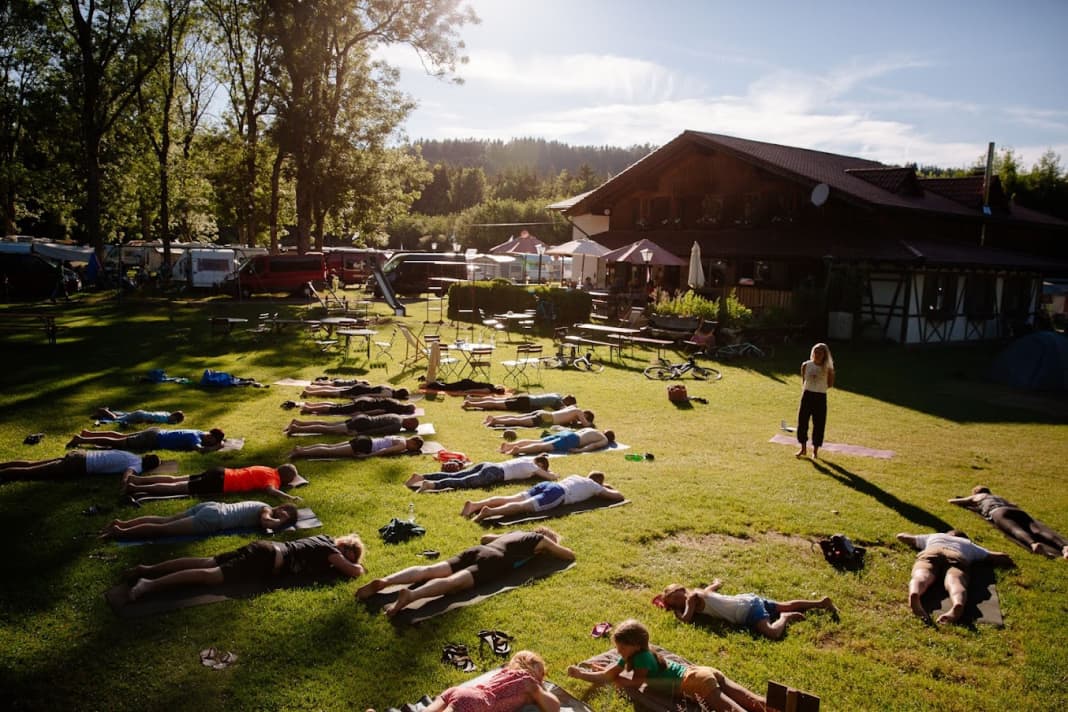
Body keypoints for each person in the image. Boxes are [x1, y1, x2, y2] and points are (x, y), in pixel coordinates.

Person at [355, 527, 575, 618]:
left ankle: (386, 581)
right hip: (494, 561)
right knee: (453, 583)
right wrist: (548, 548)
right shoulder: (541, 540)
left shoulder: (515, 532)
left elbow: (485, 538)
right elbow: (568, 555)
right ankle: (411, 596)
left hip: (478, 550)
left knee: (431, 569)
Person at [566, 619, 766, 712]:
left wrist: (614, 678)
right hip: (702, 673)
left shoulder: (642, 658)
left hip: (696, 682)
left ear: (634, 645)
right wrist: (580, 673)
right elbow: (609, 674)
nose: (618, 652)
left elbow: (634, 684)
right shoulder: (637, 652)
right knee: (753, 701)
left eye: (621, 648)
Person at [123, 533, 366, 601]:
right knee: (211, 576)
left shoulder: (324, 539)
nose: (348, 558)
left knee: (207, 562)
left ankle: (147, 569)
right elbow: (355, 572)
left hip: (266, 548)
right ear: (343, 548)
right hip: (267, 559)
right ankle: (148, 585)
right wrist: (357, 566)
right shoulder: (331, 552)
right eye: (350, 554)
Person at [366, 651, 560, 712]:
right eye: (542, 673)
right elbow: (554, 707)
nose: (542, 678)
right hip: (475, 702)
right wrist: (540, 690)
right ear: (531, 669)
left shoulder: (505, 674)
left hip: (460, 691)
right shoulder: (529, 682)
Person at [896, 530, 1015, 624]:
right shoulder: (968, 544)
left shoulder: (936, 536)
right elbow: (1000, 557)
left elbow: (902, 537)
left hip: (932, 551)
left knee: (921, 576)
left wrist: (905, 534)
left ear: (948, 533)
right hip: (956, 556)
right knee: (955, 582)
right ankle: (957, 605)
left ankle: (915, 593)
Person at [658, 579, 837, 639]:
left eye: (675, 599)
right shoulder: (697, 593)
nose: (677, 604)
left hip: (745, 611)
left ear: (682, 591)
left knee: (772, 633)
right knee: (786, 603)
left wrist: (677, 613)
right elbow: (709, 591)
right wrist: (716, 584)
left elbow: (687, 619)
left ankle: (785, 617)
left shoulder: (691, 599)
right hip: (747, 600)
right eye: (673, 604)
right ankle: (821, 603)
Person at [949, 486, 1068, 559]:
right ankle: (1064, 547)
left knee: (1015, 529)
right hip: (1016, 511)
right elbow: (1014, 504)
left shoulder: (977, 497)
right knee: (1038, 529)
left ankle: (1033, 544)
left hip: (998, 512)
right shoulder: (998, 496)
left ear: (975, 493)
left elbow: (953, 501)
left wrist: (970, 501)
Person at [464, 471, 624, 523]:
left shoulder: (576, 476)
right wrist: (605, 487)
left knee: (511, 498)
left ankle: (475, 505)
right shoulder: (595, 486)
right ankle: (489, 512)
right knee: (523, 507)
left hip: (547, 485)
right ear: (599, 482)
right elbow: (618, 496)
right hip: (557, 494)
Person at [99, 501, 299, 540]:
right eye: (283, 514)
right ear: (280, 509)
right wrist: (280, 522)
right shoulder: (266, 509)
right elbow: (266, 522)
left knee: (164, 520)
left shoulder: (260, 502)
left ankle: (122, 523)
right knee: (165, 529)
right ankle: (121, 532)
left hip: (212, 506)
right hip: (214, 519)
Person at [121, 463, 304, 501]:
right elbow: (271, 491)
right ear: (286, 478)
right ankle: (134, 486)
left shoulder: (267, 469)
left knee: (177, 478)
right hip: (221, 483)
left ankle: (138, 480)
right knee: (179, 487)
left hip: (220, 471)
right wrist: (288, 497)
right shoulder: (273, 479)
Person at [406, 456, 555, 492]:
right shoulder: (533, 466)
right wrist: (550, 472)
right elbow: (552, 477)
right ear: (540, 464)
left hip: (489, 465)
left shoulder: (526, 459)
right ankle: (432, 484)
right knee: (463, 482)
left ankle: (422, 477)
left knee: (458, 476)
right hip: (495, 473)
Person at [1, 450, 160, 482]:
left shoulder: (132, 455)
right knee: (31, 472)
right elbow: (128, 473)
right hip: (80, 464)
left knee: (32, 464)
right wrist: (127, 484)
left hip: (81, 454)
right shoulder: (137, 464)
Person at [795, 342, 834, 458]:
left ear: (824, 355)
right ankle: (803, 448)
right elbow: (804, 380)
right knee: (802, 422)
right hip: (807, 395)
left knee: (819, 424)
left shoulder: (828, 368)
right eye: (815, 352)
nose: (817, 354)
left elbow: (830, 384)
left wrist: (818, 387)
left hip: (820, 397)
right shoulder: (806, 365)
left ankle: (815, 451)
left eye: (820, 352)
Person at [66, 427, 225, 453]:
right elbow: (200, 450)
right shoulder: (195, 437)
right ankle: (80, 440)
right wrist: (215, 448)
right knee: (118, 443)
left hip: (156, 432)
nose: (210, 443)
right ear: (210, 436)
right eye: (212, 441)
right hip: (153, 439)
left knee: (120, 437)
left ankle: (88, 434)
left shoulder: (198, 431)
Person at [288, 435, 423, 461]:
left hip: (365, 439)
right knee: (331, 451)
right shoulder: (402, 445)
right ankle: (300, 452)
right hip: (366, 446)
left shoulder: (400, 437)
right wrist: (367, 456)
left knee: (330, 446)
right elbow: (384, 451)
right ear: (414, 444)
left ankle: (301, 449)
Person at [500, 428, 614, 456]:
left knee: (537, 441)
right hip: (573, 440)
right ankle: (519, 450)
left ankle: (510, 445)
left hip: (567, 433)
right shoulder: (604, 440)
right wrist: (580, 450)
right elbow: (593, 445)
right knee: (544, 447)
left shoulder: (594, 430)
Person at [283, 413, 418, 437]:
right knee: (328, 429)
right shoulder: (397, 425)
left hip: (362, 418)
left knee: (329, 424)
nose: (410, 429)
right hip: (363, 425)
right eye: (412, 427)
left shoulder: (397, 416)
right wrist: (359, 434)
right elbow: (378, 430)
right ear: (410, 422)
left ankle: (299, 422)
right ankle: (297, 429)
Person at [483, 406, 594, 429]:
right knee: (519, 421)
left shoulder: (572, 409)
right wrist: (590, 424)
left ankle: (494, 418)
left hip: (543, 413)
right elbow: (586, 424)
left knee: (518, 417)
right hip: (546, 418)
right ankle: (496, 421)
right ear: (586, 415)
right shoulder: (578, 412)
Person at [287, 397, 415, 416]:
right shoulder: (396, 410)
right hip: (364, 406)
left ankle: (311, 405)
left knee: (337, 406)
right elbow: (379, 410)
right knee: (336, 409)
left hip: (365, 400)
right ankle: (309, 409)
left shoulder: (396, 402)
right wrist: (363, 414)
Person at [462, 393, 576, 411]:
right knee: (496, 404)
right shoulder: (558, 401)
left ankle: (472, 399)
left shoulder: (557, 395)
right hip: (525, 403)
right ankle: (471, 404)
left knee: (496, 400)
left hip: (525, 397)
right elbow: (565, 411)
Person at [300, 383, 409, 399]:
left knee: (335, 389)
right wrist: (357, 397)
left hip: (360, 387)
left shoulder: (389, 387)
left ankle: (311, 389)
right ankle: (309, 393)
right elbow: (371, 395)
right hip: (359, 392)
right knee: (333, 393)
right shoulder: (388, 394)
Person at [92, 407, 185, 426]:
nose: (174, 422)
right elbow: (152, 421)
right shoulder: (165, 419)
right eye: (176, 420)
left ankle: (102, 413)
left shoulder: (166, 413)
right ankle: (104, 411)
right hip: (140, 416)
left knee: (124, 415)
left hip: (141, 413)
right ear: (174, 417)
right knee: (116, 419)